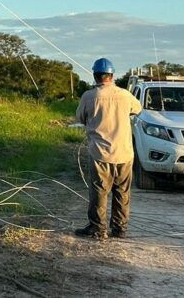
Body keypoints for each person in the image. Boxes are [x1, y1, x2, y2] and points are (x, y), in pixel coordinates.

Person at [75, 57, 143, 240]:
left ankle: (98, 228)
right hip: (124, 153)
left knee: (99, 191)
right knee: (122, 191)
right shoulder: (125, 95)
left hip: (100, 153)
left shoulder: (89, 96)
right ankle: (119, 229)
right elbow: (138, 109)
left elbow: (80, 118)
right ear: (112, 76)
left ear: (95, 76)